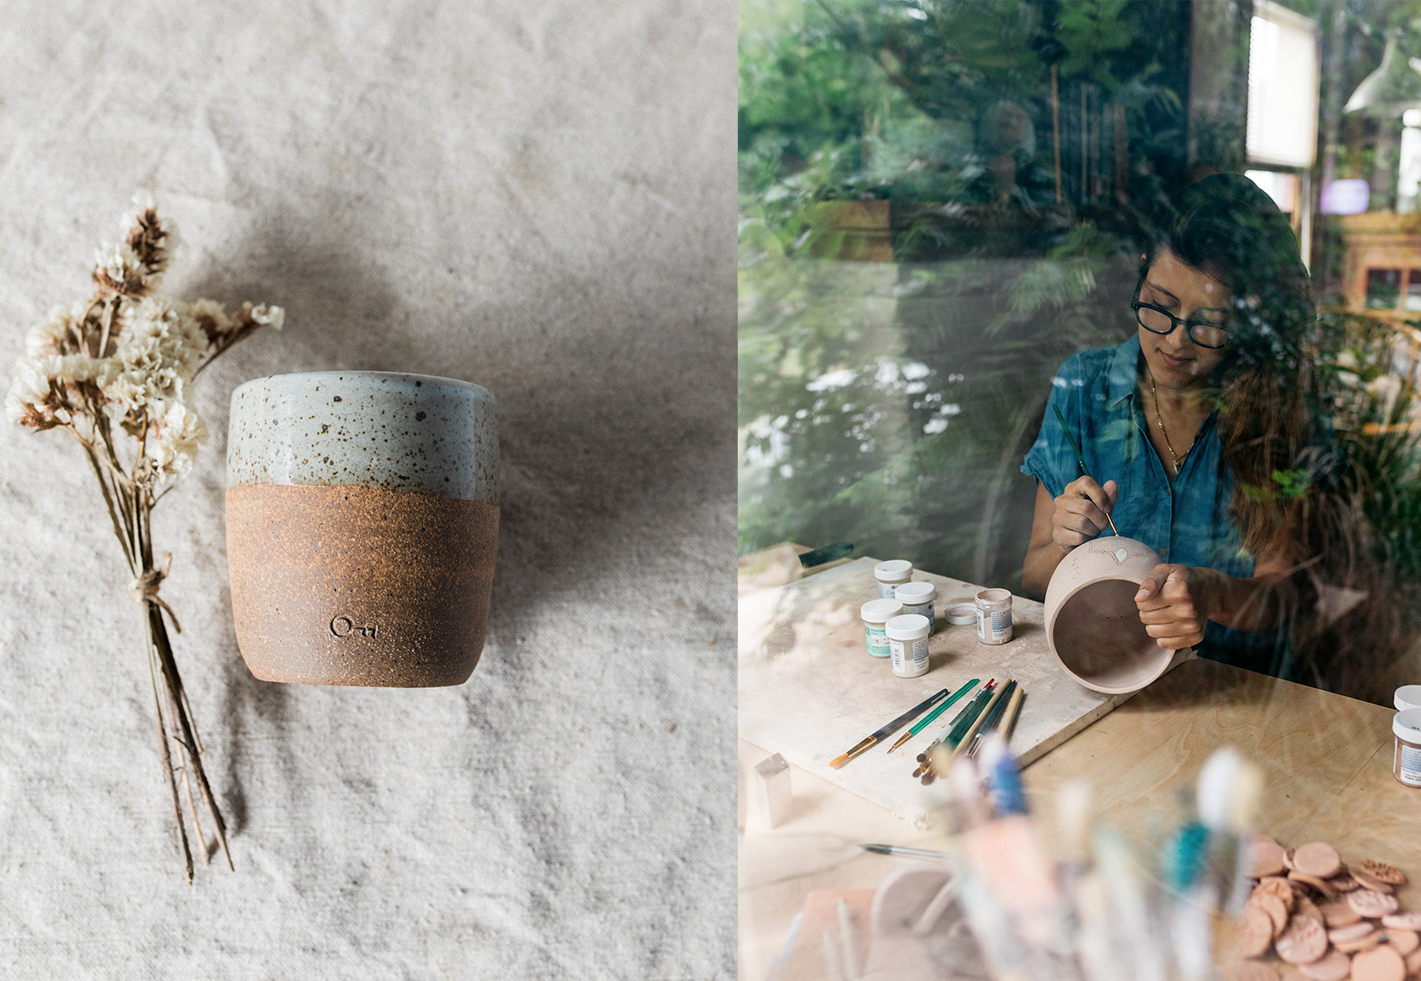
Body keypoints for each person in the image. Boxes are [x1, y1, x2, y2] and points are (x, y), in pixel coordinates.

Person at [1018, 173, 1334, 675]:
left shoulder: (1281, 413)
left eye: (1208, 322)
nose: (1176, 343)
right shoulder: (1083, 388)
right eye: (1160, 307)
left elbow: (1287, 595)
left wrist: (1215, 594)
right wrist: (1064, 541)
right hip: (1105, 673)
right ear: (1142, 274)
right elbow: (1034, 579)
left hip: (1234, 688)